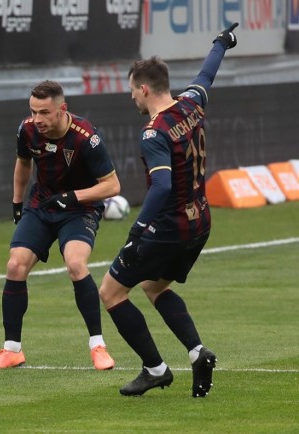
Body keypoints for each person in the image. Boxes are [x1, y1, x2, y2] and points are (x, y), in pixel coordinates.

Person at [98, 24, 239, 397]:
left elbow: (161, 186)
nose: (132, 98)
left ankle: (155, 368)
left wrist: (137, 231)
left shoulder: (154, 132)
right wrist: (221, 43)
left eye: (132, 90)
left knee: (111, 292)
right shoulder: (192, 103)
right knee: (153, 285)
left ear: (144, 88)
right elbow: (207, 73)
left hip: (168, 227)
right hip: (200, 220)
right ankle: (197, 353)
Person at [0, 80, 121, 370]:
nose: (38, 119)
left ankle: (98, 346)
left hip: (79, 209)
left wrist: (71, 197)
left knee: (75, 264)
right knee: (15, 265)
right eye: (34, 111)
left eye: (45, 112)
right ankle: (12, 350)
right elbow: (23, 163)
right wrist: (17, 203)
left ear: (62, 109)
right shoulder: (27, 130)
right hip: (42, 205)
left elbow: (112, 186)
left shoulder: (87, 138)